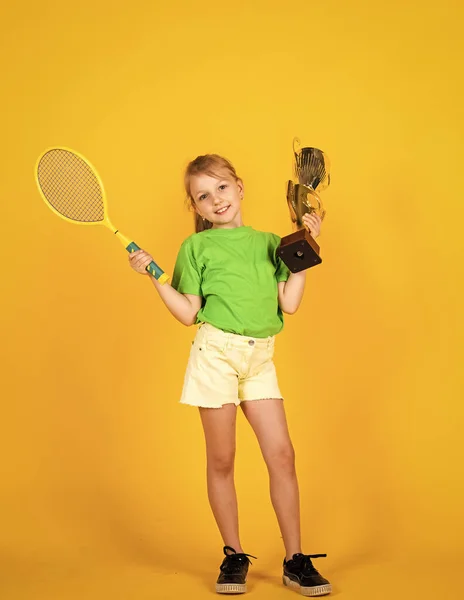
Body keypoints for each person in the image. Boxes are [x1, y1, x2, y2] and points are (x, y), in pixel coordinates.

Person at [128, 154, 332, 596]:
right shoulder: (196, 248)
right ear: (196, 208)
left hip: (260, 358)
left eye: (221, 187)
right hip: (215, 356)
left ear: (239, 187)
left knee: (282, 456)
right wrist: (153, 276)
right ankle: (234, 555)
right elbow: (188, 313)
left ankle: (295, 560)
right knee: (222, 460)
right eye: (203, 195)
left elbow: (289, 304)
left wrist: (305, 248)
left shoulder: (269, 243)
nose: (215, 199)